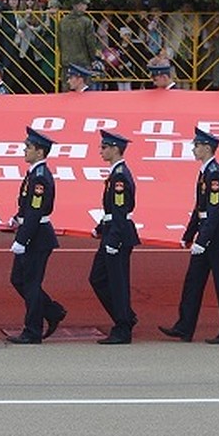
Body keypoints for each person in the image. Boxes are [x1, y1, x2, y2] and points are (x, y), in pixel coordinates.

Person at [160, 127, 219, 344]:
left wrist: (202, 240)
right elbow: (200, 208)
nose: (194, 149)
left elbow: (214, 211)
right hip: (208, 232)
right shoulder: (205, 172)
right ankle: (185, 326)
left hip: (217, 235)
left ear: (207, 148)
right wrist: (189, 235)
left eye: (197, 145)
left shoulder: (214, 173)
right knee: (193, 281)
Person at [6, 126, 67, 344]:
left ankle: (32, 331)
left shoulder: (40, 177)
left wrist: (22, 239)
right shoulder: (34, 174)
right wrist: (16, 218)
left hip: (37, 236)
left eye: (28, 147)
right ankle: (52, 311)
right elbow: (27, 206)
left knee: (30, 284)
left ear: (40, 152)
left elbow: (36, 210)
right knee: (18, 280)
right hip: (31, 231)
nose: (24, 150)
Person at [89, 129, 139, 345]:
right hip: (112, 231)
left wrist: (113, 239)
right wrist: (101, 227)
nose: (101, 151)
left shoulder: (119, 176)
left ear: (115, 149)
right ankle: (125, 316)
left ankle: (123, 327)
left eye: (104, 147)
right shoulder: (115, 173)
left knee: (117, 283)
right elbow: (113, 210)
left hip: (118, 234)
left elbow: (120, 211)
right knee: (98, 278)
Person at [59, 0, 100, 74]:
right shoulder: (86, 22)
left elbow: (59, 42)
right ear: (78, 6)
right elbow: (90, 43)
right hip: (82, 62)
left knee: (67, 84)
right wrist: (93, 58)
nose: (86, 7)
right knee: (83, 84)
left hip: (67, 61)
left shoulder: (62, 21)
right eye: (85, 4)